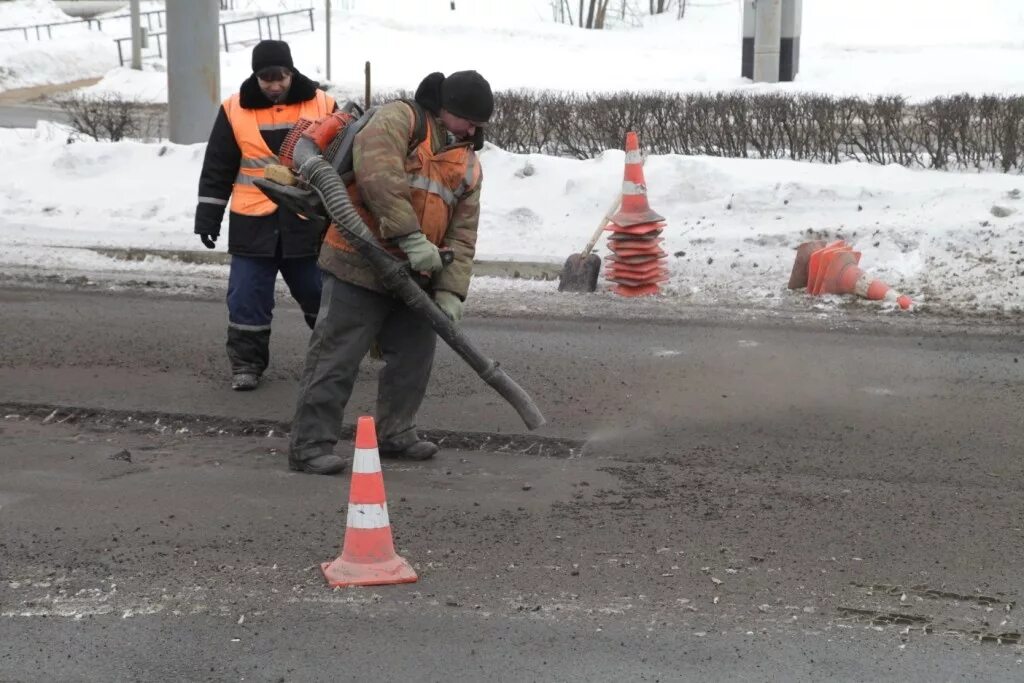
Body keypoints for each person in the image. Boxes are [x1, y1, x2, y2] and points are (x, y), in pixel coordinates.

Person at [287, 70, 493, 475]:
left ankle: (397, 433)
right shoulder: (401, 119)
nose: (472, 128)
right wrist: (411, 238)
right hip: (357, 260)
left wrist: (451, 292)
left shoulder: (468, 164)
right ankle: (310, 445)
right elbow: (378, 176)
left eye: (478, 123)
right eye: (467, 118)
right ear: (444, 108)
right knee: (336, 356)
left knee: (412, 360)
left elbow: (463, 233)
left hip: (416, 277)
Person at [194, 40, 336, 391]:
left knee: (319, 294)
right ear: (256, 76)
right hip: (252, 223)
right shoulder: (234, 109)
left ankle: (335, 359)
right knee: (246, 297)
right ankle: (246, 365)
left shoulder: (323, 103)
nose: (273, 85)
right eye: (266, 78)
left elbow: (340, 162)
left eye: (280, 77)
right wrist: (208, 218)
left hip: (305, 221)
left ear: (292, 72)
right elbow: (218, 167)